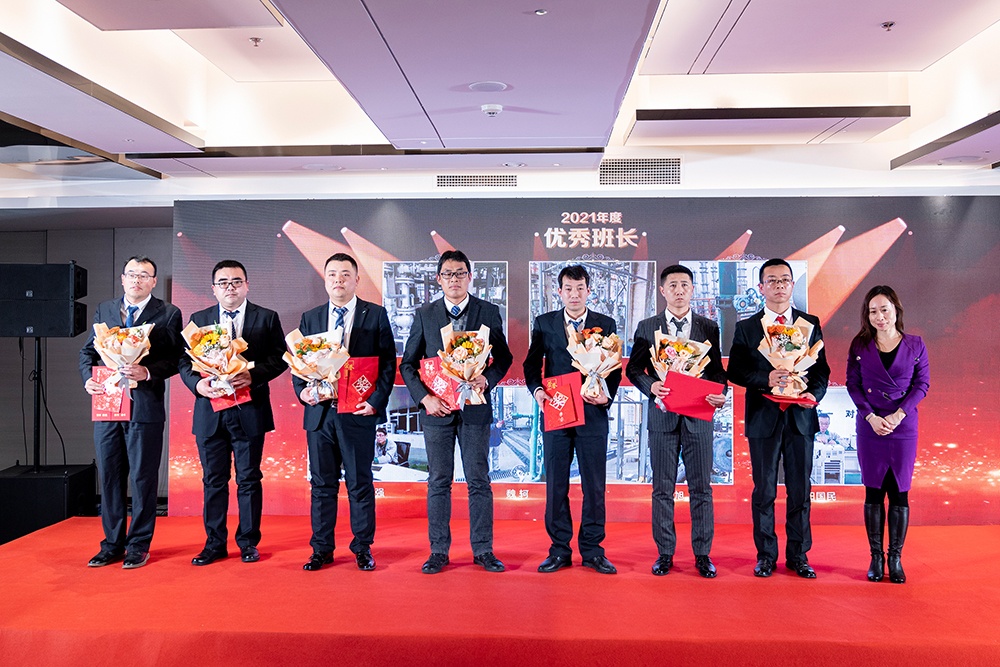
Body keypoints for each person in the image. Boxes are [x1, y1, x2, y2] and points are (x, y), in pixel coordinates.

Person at [400, 250, 513, 574]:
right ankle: (438, 551)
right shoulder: (425, 314)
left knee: (479, 480)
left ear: (469, 277)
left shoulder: (487, 311)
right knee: (439, 481)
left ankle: (483, 550)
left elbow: (504, 357)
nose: (454, 279)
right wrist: (425, 399)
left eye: (460, 273)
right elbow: (408, 364)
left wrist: (487, 379)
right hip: (437, 411)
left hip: (475, 408)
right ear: (439, 279)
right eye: (448, 274)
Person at [178, 260, 287, 566]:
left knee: (249, 479)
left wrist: (253, 376)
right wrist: (198, 386)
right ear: (214, 289)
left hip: (249, 409)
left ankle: (248, 543)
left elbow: (280, 358)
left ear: (247, 285)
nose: (230, 287)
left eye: (236, 282)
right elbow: (184, 362)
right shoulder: (199, 320)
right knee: (213, 480)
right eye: (223, 283)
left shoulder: (266, 317)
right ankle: (214, 544)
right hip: (210, 412)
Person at [727, 258, 830, 579]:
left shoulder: (809, 323)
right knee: (765, 490)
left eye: (784, 280)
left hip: (800, 417)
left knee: (800, 490)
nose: (779, 285)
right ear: (761, 288)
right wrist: (766, 378)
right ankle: (766, 556)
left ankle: (799, 556)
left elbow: (821, 370)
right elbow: (735, 371)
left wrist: (813, 395)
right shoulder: (747, 327)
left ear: (792, 285)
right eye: (771, 280)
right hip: (764, 418)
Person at [79, 256, 183, 569]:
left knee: (142, 478)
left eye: (144, 275)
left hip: (145, 406)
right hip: (108, 403)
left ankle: (138, 545)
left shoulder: (168, 313)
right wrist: (87, 379)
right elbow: (88, 351)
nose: (137, 280)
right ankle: (111, 544)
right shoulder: (106, 309)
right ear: (123, 279)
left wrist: (147, 372)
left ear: (154, 281)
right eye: (132, 274)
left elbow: (176, 359)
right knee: (110, 476)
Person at [295, 253, 397, 571]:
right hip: (320, 414)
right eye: (332, 274)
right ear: (325, 279)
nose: (338, 279)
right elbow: (299, 364)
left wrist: (376, 401)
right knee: (321, 484)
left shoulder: (375, 315)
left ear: (356, 280)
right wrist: (302, 392)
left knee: (359, 482)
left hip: (358, 413)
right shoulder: (310, 318)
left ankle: (362, 547)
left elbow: (387, 364)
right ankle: (321, 549)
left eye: (345, 274)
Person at [626, 264, 727, 578]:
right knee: (662, 488)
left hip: (698, 415)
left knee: (702, 488)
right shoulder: (647, 327)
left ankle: (702, 555)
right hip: (663, 416)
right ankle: (665, 553)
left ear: (692, 289)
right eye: (673, 285)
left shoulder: (709, 327)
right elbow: (633, 369)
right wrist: (651, 386)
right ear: (662, 290)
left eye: (685, 284)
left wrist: (721, 392)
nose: (679, 290)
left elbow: (717, 372)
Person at [523, 265, 622, 575]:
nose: (574, 294)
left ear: (589, 291)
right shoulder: (545, 323)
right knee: (556, 484)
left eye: (580, 288)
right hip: (558, 410)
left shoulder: (605, 324)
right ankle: (559, 550)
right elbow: (530, 365)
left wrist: (607, 396)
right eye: (568, 288)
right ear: (560, 292)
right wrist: (538, 391)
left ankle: (592, 550)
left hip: (593, 413)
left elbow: (615, 368)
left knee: (594, 486)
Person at [846, 285, 929, 584]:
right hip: (870, 426)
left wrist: (898, 414)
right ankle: (875, 557)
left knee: (899, 491)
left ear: (896, 309)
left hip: (902, 426)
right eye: (873, 311)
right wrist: (870, 416)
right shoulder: (860, 345)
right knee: (873, 491)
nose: (879, 316)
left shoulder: (916, 344)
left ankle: (895, 558)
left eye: (884, 309)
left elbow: (922, 384)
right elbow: (853, 385)